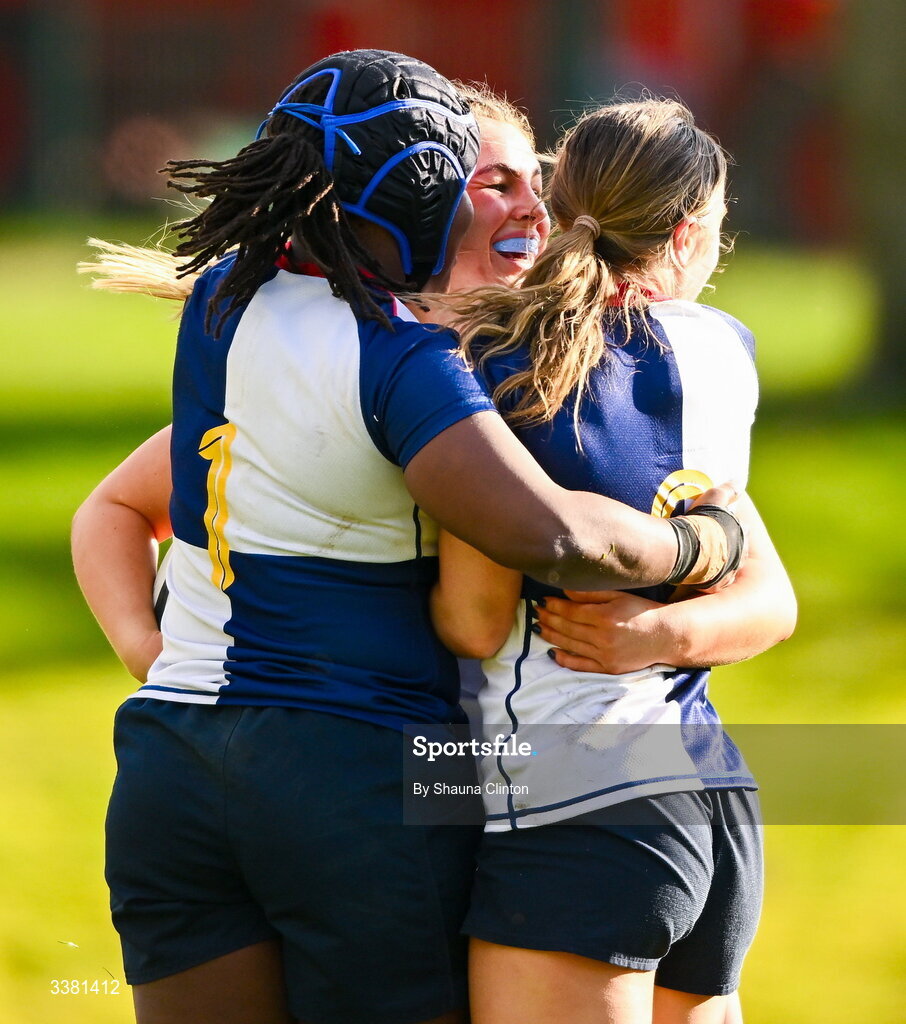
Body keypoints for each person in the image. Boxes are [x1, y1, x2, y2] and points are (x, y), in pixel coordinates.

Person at [72, 55, 744, 1024]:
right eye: (485, 181)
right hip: (356, 777)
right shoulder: (416, 369)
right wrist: (699, 548)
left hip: (173, 769)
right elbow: (549, 538)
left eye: (532, 183)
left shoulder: (230, 300)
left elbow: (113, 504)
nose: (524, 211)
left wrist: (159, 656)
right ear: (431, 203)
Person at [429, 99, 796, 1024]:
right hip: (711, 796)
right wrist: (667, 631)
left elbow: (474, 623)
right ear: (684, 236)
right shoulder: (726, 351)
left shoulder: (498, 360)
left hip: (570, 796)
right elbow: (770, 597)